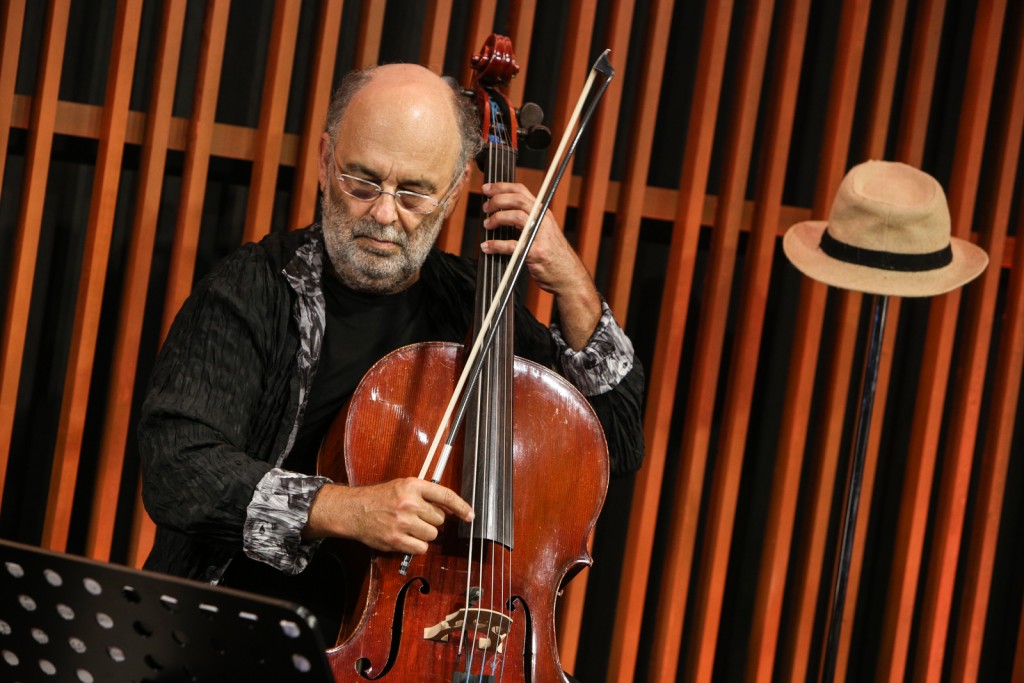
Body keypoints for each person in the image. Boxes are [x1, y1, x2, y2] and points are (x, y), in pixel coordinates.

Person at [138, 64, 645, 647]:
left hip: (428, 647)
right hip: (232, 644)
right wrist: (347, 511)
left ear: (453, 194)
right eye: (362, 181)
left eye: (413, 193)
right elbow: (179, 467)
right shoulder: (253, 290)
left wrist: (575, 289)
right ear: (326, 160)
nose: (384, 214)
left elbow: (614, 444)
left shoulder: (475, 313)